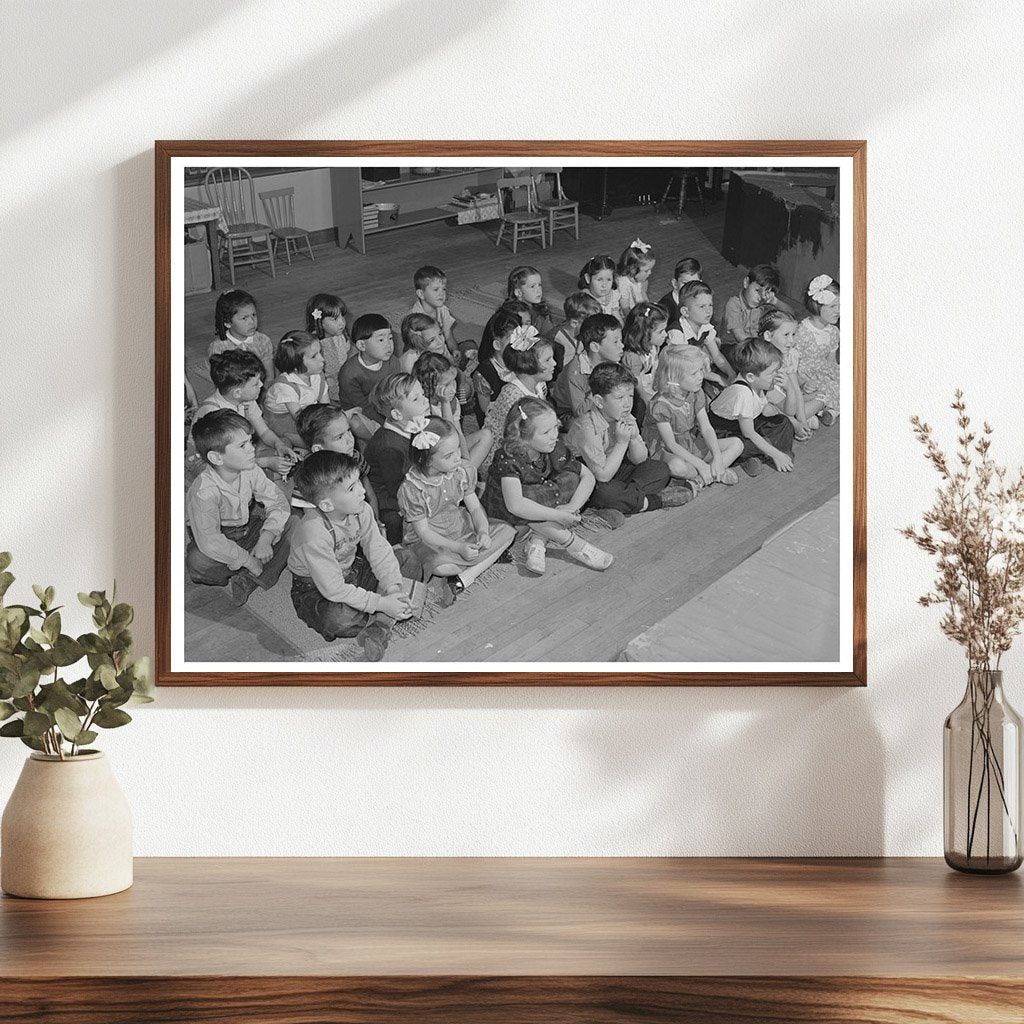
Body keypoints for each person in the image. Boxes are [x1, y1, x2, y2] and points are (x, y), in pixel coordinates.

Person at [288, 451, 412, 661]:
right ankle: (382, 621)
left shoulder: (361, 509)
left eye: (359, 482)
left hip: (352, 569)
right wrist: (382, 603)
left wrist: (392, 588)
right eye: (352, 488)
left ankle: (378, 624)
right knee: (337, 619)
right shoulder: (314, 532)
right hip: (315, 587)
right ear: (327, 505)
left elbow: (378, 549)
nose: (363, 491)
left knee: (408, 559)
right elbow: (333, 589)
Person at [483, 397, 613, 575]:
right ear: (524, 437)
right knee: (528, 501)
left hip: (539, 511)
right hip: (510, 520)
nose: (554, 435)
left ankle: (538, 540)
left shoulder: (554, 447)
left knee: (570, 477)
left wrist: (571, 508)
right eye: (546, 432)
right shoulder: (508, 457)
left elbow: (587, 476)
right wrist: (558, 515)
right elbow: (516, 505)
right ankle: (575, 545)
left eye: (556, 428)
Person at [398, 418, 515, 605]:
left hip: (460, 525)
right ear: (426, 459)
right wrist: (458, 548)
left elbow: (474, 506)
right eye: (448, 455)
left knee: (508, 532)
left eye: (458, 450)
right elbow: (424, 533)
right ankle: (472, 568)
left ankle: (465, 576)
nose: (457, 457)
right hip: (431, 539)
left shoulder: (461, 471)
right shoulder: (413, 488)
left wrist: (483, 530)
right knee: (443, 567)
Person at [185, 410, 294, 606]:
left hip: (246, 529)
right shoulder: (204, 492)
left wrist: (266, 538)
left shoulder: (251, 469)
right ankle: (252, 566)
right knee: (197, 562)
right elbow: (211, 541)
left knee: (295, 523)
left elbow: (277, 501)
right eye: (243, 446)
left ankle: (248, 580)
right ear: (217, 458)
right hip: (220, 536)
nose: (252, 449)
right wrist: (248, 560)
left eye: (250, 441)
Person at [566, 362, 687, 514]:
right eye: (619, 398)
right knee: (605, 493)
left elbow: (640, 460)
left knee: (659, 469)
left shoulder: (624, 416)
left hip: (615, 469)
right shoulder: (587, 427)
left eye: (630, 396)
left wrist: (635, 438)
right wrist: (622, 443)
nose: (627, 404)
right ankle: (652, 501)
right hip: (591, 476)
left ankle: (627, 500)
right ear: (599, 401)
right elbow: (602, 476)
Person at [643, 345, 742, 489]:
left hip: (688, 442)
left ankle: (701, 479)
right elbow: (671, 445)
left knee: (737, 444)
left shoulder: (694, 393)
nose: (700, 377)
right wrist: (701, 464)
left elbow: (706, 428)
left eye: (701, 370)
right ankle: (714, 473)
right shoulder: (660, 405)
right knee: (677, 467)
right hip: (666, 450)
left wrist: (718, 457)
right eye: (694, 373)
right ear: (674, 378)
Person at [194, 350, 298, 477]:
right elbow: (227, 460)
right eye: (255, 383)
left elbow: (264, 432)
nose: (261, 385)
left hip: (235, 449)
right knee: (251, 475)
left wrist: (279, 445)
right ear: (237, 392)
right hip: (210, 463)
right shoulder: (216, 414)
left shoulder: (246, 400)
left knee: (283, 443)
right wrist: (266, 462)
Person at [708, 338, 796, 476]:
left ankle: (760, 456)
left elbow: (790, 411)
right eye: (772, 372)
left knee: (783, 422)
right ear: (750, 377)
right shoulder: (743, 392)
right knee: (745, 443)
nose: (776, 376)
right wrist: (776, 454)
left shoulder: (762, 383)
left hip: (744, 425)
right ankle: (754, 458)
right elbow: (748, 433)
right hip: (724, 431)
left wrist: (790, 389)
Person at [479, 326, 557, 478]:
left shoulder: (540, 385)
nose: (554, 363)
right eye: (548, 360)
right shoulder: (513, 395)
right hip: (505, 455)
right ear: (529, 364)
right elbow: (512, 437)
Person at [364, 372, 432, 543]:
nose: (426, 400)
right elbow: (397, 489)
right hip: (387, 498)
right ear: (397, 415)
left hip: (409, 481)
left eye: (423, 394)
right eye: (416, 399)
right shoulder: (390, 446)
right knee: (396, 521)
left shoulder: (414, 425)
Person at [294, 403, 378, 519]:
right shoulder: (309, 477)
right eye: (339, 437)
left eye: (349, 431)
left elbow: (369, 495)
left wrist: (376, 521)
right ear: (318, 449)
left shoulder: (354, 457)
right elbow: (311, 519)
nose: (350, 440)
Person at [413, 351, 490, 469]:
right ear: (430, 386)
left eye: (453, 381)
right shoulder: (423, 406)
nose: (453, 388)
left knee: (486, 435)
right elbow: (448, 433)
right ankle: (462, 477)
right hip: (437, 455)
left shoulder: (453, 401)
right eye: (446, 384)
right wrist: (445, 403)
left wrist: (467, 460)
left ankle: (465, 475)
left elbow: (458, 434)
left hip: (453, 449)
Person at [759, 309, 825, 440]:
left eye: (794, 334)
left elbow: (795, 389)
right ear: (768, 336)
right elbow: (773, 398)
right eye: (786, 335)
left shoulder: (790, 355)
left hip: (787, 397)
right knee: (767, 410)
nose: (791, 340)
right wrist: (796, 424)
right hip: (769, 400)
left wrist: (802, 420)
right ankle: (793, 422)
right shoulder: (761, 359)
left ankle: (804, 419)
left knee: (822, 395)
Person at [550, 313, 623, 421]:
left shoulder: (612, 363)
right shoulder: (576, 372)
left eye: (621, 340)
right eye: (615, 342)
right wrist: (600, 388)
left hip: (598, 406)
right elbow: (579, 412)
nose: (622, 345)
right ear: (595, 346)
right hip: (568, 413)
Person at [262, 331, 328, 448]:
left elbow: (326, 405)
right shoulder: (285, 386)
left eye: (320, 352)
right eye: (314, 356)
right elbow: (300, 419)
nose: (322, 359)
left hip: (306, 410)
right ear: (296, 366)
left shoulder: (317, 373)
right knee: (314, 443)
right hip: (282, 418)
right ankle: (289, 438)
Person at [337, 313, 401, 428]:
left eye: (390, 338)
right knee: (356, 424)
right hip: (360, 409)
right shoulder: (349, 373)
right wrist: (389, 425)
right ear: (362, 345)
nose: (389, 345)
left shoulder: (393, 362)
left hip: (384, 403)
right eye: (381, 340)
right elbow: (363, 407)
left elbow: (396, 391)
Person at [793, 274, 841, 423]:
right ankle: (816, 410)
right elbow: (792, 365)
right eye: (833, 306)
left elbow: (831, 360)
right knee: (823, 391)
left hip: (823, 372)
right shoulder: (802, 332)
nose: (838, 311)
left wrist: (836, 375)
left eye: (840, 305)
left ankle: (828, 411)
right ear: (817, 305)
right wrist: (803, 383)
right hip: (804, 377)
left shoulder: (833, 331)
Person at [666, 281, 731, 385]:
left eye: (710, 305)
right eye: (702, 307)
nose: (708, 311)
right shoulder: (677, 333)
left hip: (698, 371)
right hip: (679, 376)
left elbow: (717, 356)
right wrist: (718, 378)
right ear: (685, 312)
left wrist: (731, 375)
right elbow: (687, 368)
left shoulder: (705, 327)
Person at [721, 264, 795, 348]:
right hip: (733, 347)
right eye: (757, 290)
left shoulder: (763, 304)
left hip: (754, 346)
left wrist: (774, 301)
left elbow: (791, 314)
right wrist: (764, 345)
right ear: (746, 283)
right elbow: (740, 336)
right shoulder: (733, 304)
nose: (760, 297)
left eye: (766, 292)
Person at [208, 289, 274, 384]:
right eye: (244, 318)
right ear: (227, 323)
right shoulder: (219, 347)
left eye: (254, 315)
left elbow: (269, 377)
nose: (252, 322)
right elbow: (220, 382)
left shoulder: (263, 340)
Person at [473, 308, 521, 416]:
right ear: (497, 345)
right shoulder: (484, 373)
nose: (520, 345)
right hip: (497, 417)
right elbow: (486, 409)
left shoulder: (520, 360)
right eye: (514, 341)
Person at [305, 292, 350, 403]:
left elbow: (346, 352)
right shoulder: (314, 345)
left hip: (344, 379)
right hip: (328, 388)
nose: (342, 323)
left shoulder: (341, 335)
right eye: (335, 319)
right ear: (319, 321)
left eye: (342, 316)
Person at [621, 301, 669, 405]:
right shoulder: (633, 357)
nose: (665, 334)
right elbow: (637, 385)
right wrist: (647, 399)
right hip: (636, 392)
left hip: (650, 381)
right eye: (661, 331)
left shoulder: (653, 345)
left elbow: (655, 364)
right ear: (644, 333)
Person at [409, 264, 458, 359]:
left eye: (444, 289)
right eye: (436, 290)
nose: (441, 293)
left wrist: (454, 350)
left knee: (469, 345)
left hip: (443, 351)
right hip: (428, 359)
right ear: (421, 294)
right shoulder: (415, 319)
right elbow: (417, 351)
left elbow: (448, 336)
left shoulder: (442, 310)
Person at [551, 291, 601, 375]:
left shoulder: (584, 334)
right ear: (574, 323)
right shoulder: (555, 340)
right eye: (590, 325)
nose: (595, 328)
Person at [506, 265, 556, 340]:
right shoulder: (513, 317)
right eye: (532, 286)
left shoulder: (540, 309)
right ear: (518, 292)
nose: (538, 290)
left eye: (539, 285)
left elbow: (550, 334)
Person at [616, 238, 656, 318]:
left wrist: (649, 309)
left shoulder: (642, 280)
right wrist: (634, 322)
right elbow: (625, 308)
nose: (650, 273)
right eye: (646, 270)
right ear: (633, 269)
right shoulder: (623, 283)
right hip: (627, 316)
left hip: (639, 311)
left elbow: (644, 295)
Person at [657, 257, 702, 326]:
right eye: (684, 283)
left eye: (694, 284)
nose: (689, 288)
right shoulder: (665, 307)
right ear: (675, 283)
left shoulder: (702, 300)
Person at [577, 255, 620, 320]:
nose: (604, 285)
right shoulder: (584, 299)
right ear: (588, 278)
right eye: (599, 280)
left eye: (609, 280)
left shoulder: (612, 295)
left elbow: (616, 317)